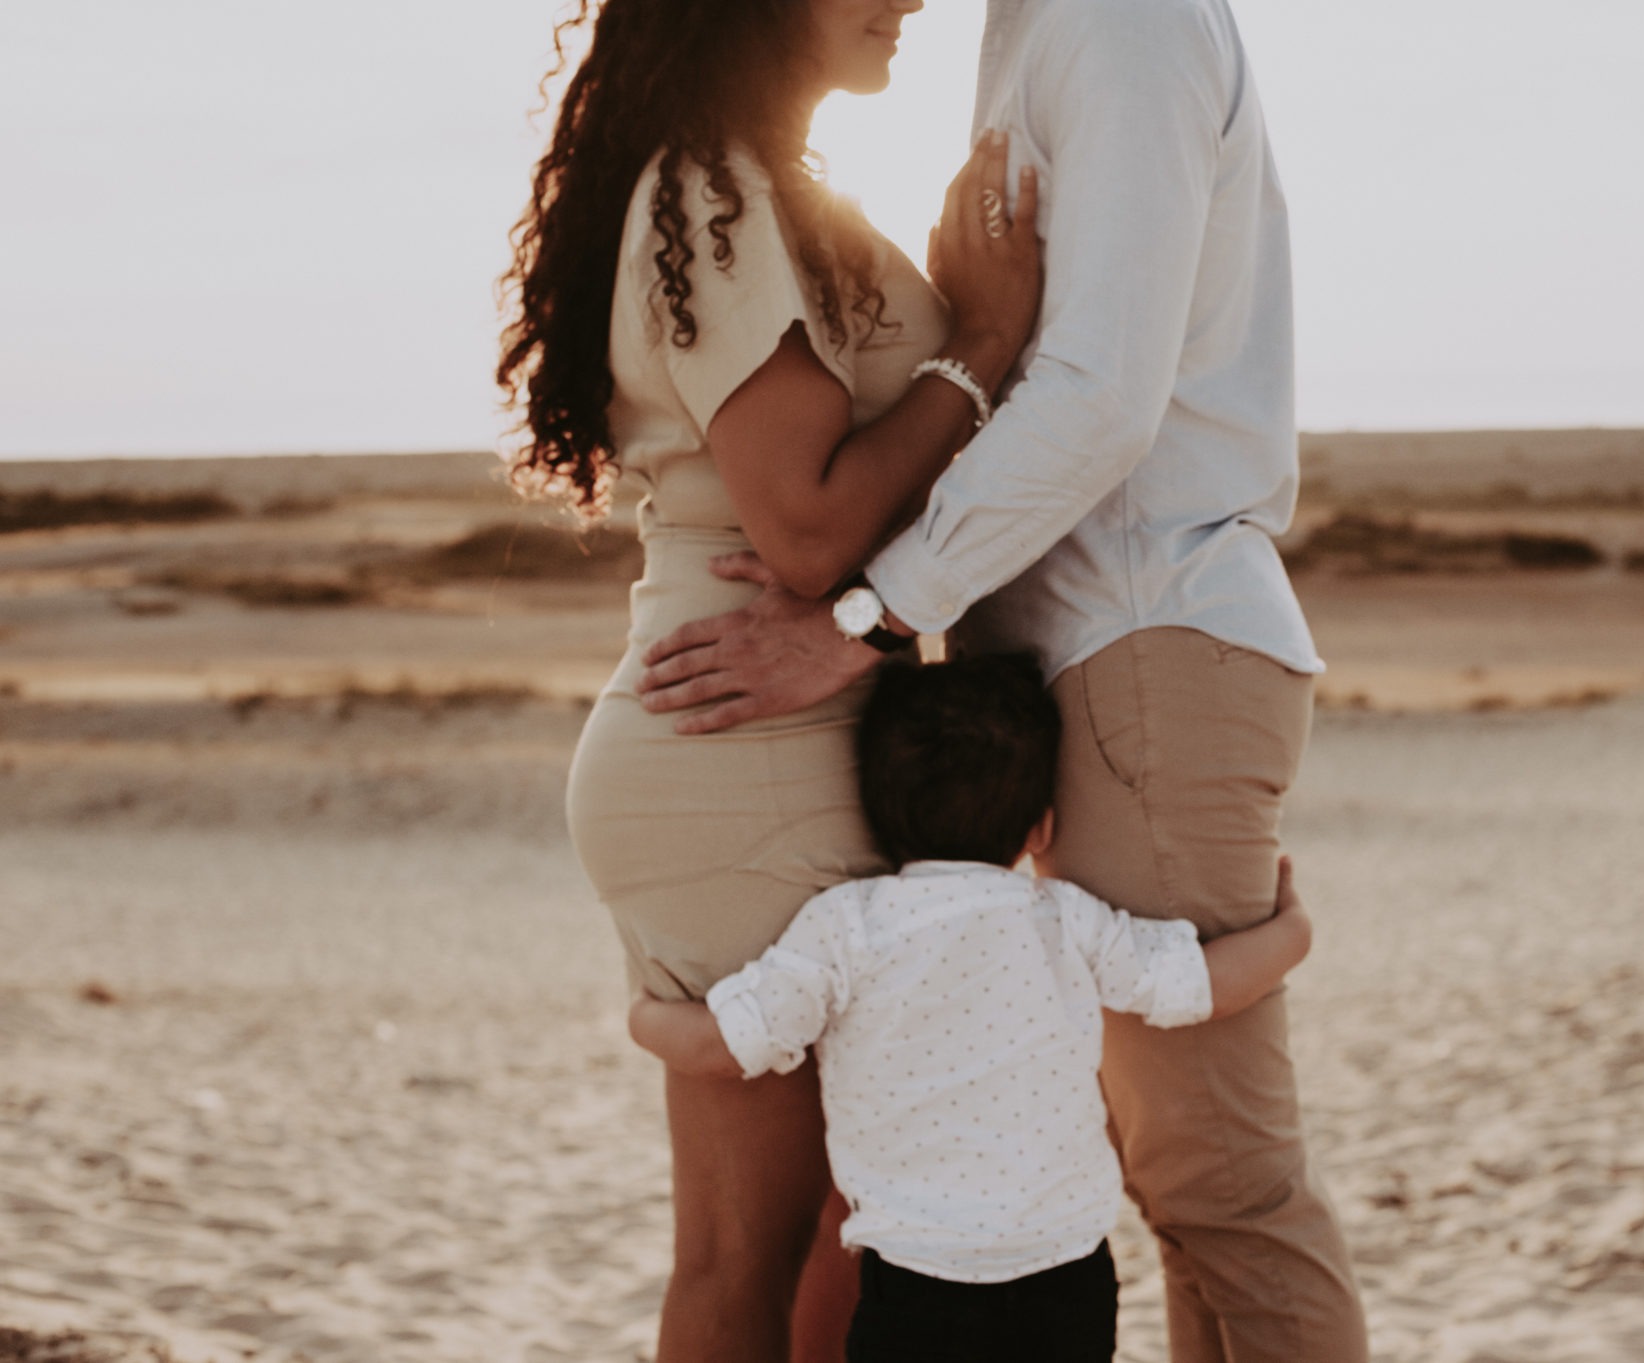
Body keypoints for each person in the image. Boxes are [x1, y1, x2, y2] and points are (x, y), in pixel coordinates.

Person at [633, 0, 1373, 1358]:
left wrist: (859, 621)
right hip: (1101, 652)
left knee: (1224, 1188)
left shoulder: (1119, 24)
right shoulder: (1034, 29)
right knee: (1186, 1189)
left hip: (1147, 636)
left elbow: (1098, 393)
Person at [494, 1, 1046, 1358]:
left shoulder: (757, 189)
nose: (910, 0)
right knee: (768, 1244)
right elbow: (801, 525)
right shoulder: (714, 189)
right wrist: (981, 340)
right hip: (743, 750)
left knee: (803, 1236)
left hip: (752, 736)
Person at [623, 655, 1314, 1363]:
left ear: (875, 817)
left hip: (918, 1283)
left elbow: (733, 1042)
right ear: (1041, 827)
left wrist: (645, 1017)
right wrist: (1291, 935)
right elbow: (1191, 985)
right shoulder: (1063, 919)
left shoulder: (848, 925)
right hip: (1064, 1273)